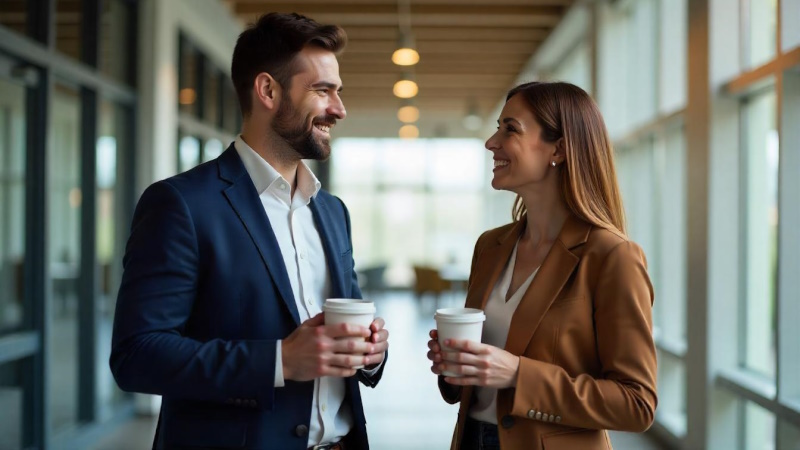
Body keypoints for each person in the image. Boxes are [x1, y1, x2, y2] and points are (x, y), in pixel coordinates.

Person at [110, 13, 389, 450]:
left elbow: (344, 327)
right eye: (322, 91)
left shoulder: (332, 211)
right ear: (268, 91)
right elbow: (137, 355)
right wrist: (279, 361)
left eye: (338, 92)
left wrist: (370, 354)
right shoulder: (181, 204)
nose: (339, 108)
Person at [426, 81, 657, 450]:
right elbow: (474, 381)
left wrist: (518, 374)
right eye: (497, 127)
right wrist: (457, 368)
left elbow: (636, 404)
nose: (491, 142)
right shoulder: (490, 246)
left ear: (560, 149)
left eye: (510, 129)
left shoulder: (612, 256)